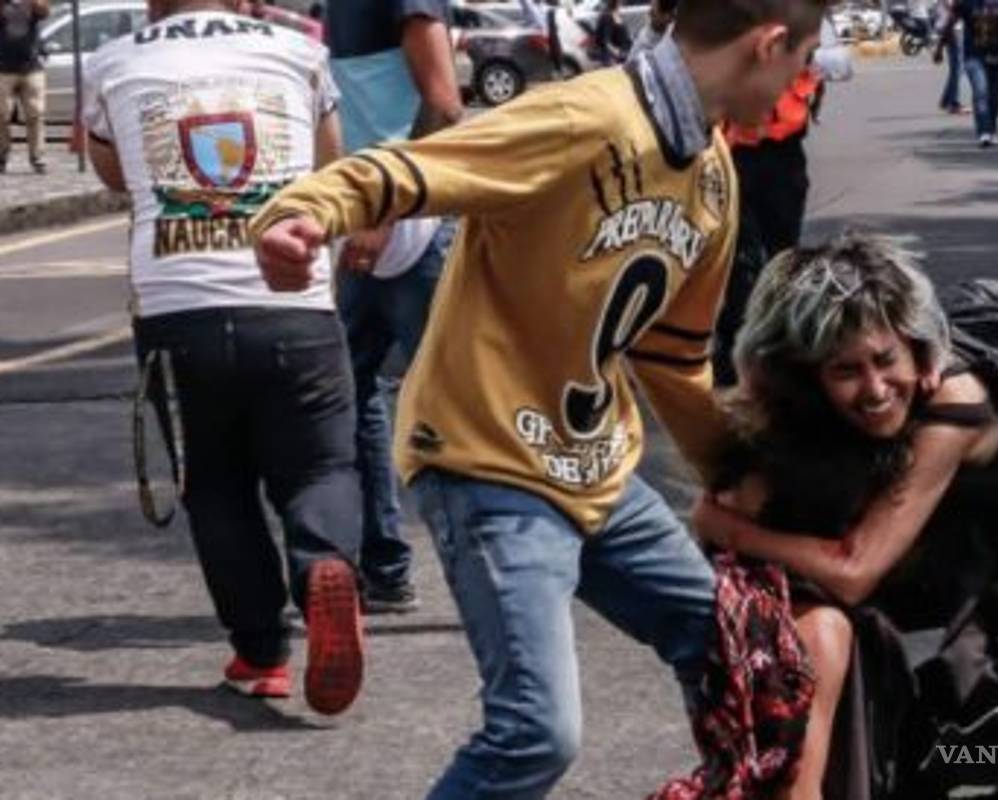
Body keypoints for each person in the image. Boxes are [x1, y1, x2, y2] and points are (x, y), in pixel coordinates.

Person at [250, 0, 827, 794]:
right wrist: (302, 215)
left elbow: (673, 358)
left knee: (737, 647)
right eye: (806, 57)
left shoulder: (714, 177)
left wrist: (744, 476)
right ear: (767, 45)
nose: (808, 77)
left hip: (597, 470)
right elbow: (408, 169)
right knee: (535, 732)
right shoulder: (581, 118)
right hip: (488, 462)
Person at [695, 231, 998, 797]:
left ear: (917, 346)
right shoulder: (837, 400)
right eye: (846, 371)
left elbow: (855, 569)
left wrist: (726, 528)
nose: (876, 388)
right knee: (950, 744)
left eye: (886, 360)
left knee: (971, 745)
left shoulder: (953, 400)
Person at [82, 0, 364, 716]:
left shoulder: (117, 60)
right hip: (294, 300)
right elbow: (331, 159)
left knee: (215, 483)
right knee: (319, 466)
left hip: (177, 312)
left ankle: (262, 651)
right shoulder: (298, 49)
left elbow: (113, 174)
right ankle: (324, 564)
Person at [326, 0, 462, 613]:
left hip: (414, 230)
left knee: (455, 416)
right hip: (367, 229)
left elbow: (443, 104)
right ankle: (384, 566)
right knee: (353, 398)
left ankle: (491, 572)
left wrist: (385, 215)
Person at [713, 13, 852, 386]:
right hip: (729, 157)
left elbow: (841, 65)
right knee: (736, 260)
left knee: (780, 258)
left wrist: (801, 51)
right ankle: (736, 354)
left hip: (782, 157)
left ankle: (779, 346)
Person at [934, 0, 998, 146]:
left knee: (994, 97)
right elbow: (950, 23)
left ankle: (992, 130)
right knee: (980, 91)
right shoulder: (966, 3)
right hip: (973, 56)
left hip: (996, 56)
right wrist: (940, 48)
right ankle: (984, 132)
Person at [0, 0, 48, 174]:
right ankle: (2, 155)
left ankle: (38, 157)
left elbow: (44, 11)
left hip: (31, 66)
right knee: (1, 114)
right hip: (3, 67)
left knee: (35, 113)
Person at [934, 0, 967, 113]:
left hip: (949, 29)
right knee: (958, 69)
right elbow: (952, 12)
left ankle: (946, 100)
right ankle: (954, 103)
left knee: (956, 70)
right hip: (953, 31)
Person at [592, 0, 632, 65]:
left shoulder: (616, 13)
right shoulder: (607, 16)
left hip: (627, 50)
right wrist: (618, 53)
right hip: (620, 55)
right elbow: (607, 42)